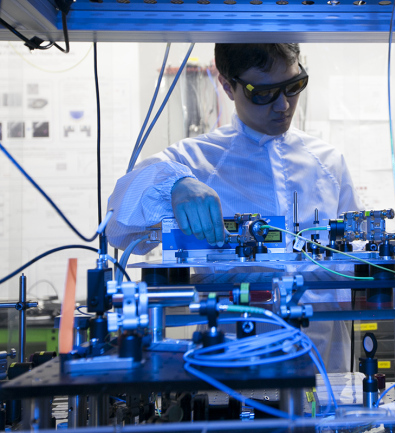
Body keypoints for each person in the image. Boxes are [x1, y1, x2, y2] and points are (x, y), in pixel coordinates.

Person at [106, 43, 360, 372]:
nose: (283, 105)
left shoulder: (327, 163)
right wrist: (174, 184)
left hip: (326, 362)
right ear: (227, 85)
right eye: (263, 93)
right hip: (232, 366)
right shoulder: (194, 160)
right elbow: (117, 229)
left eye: (293, 86)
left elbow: (355, 255)